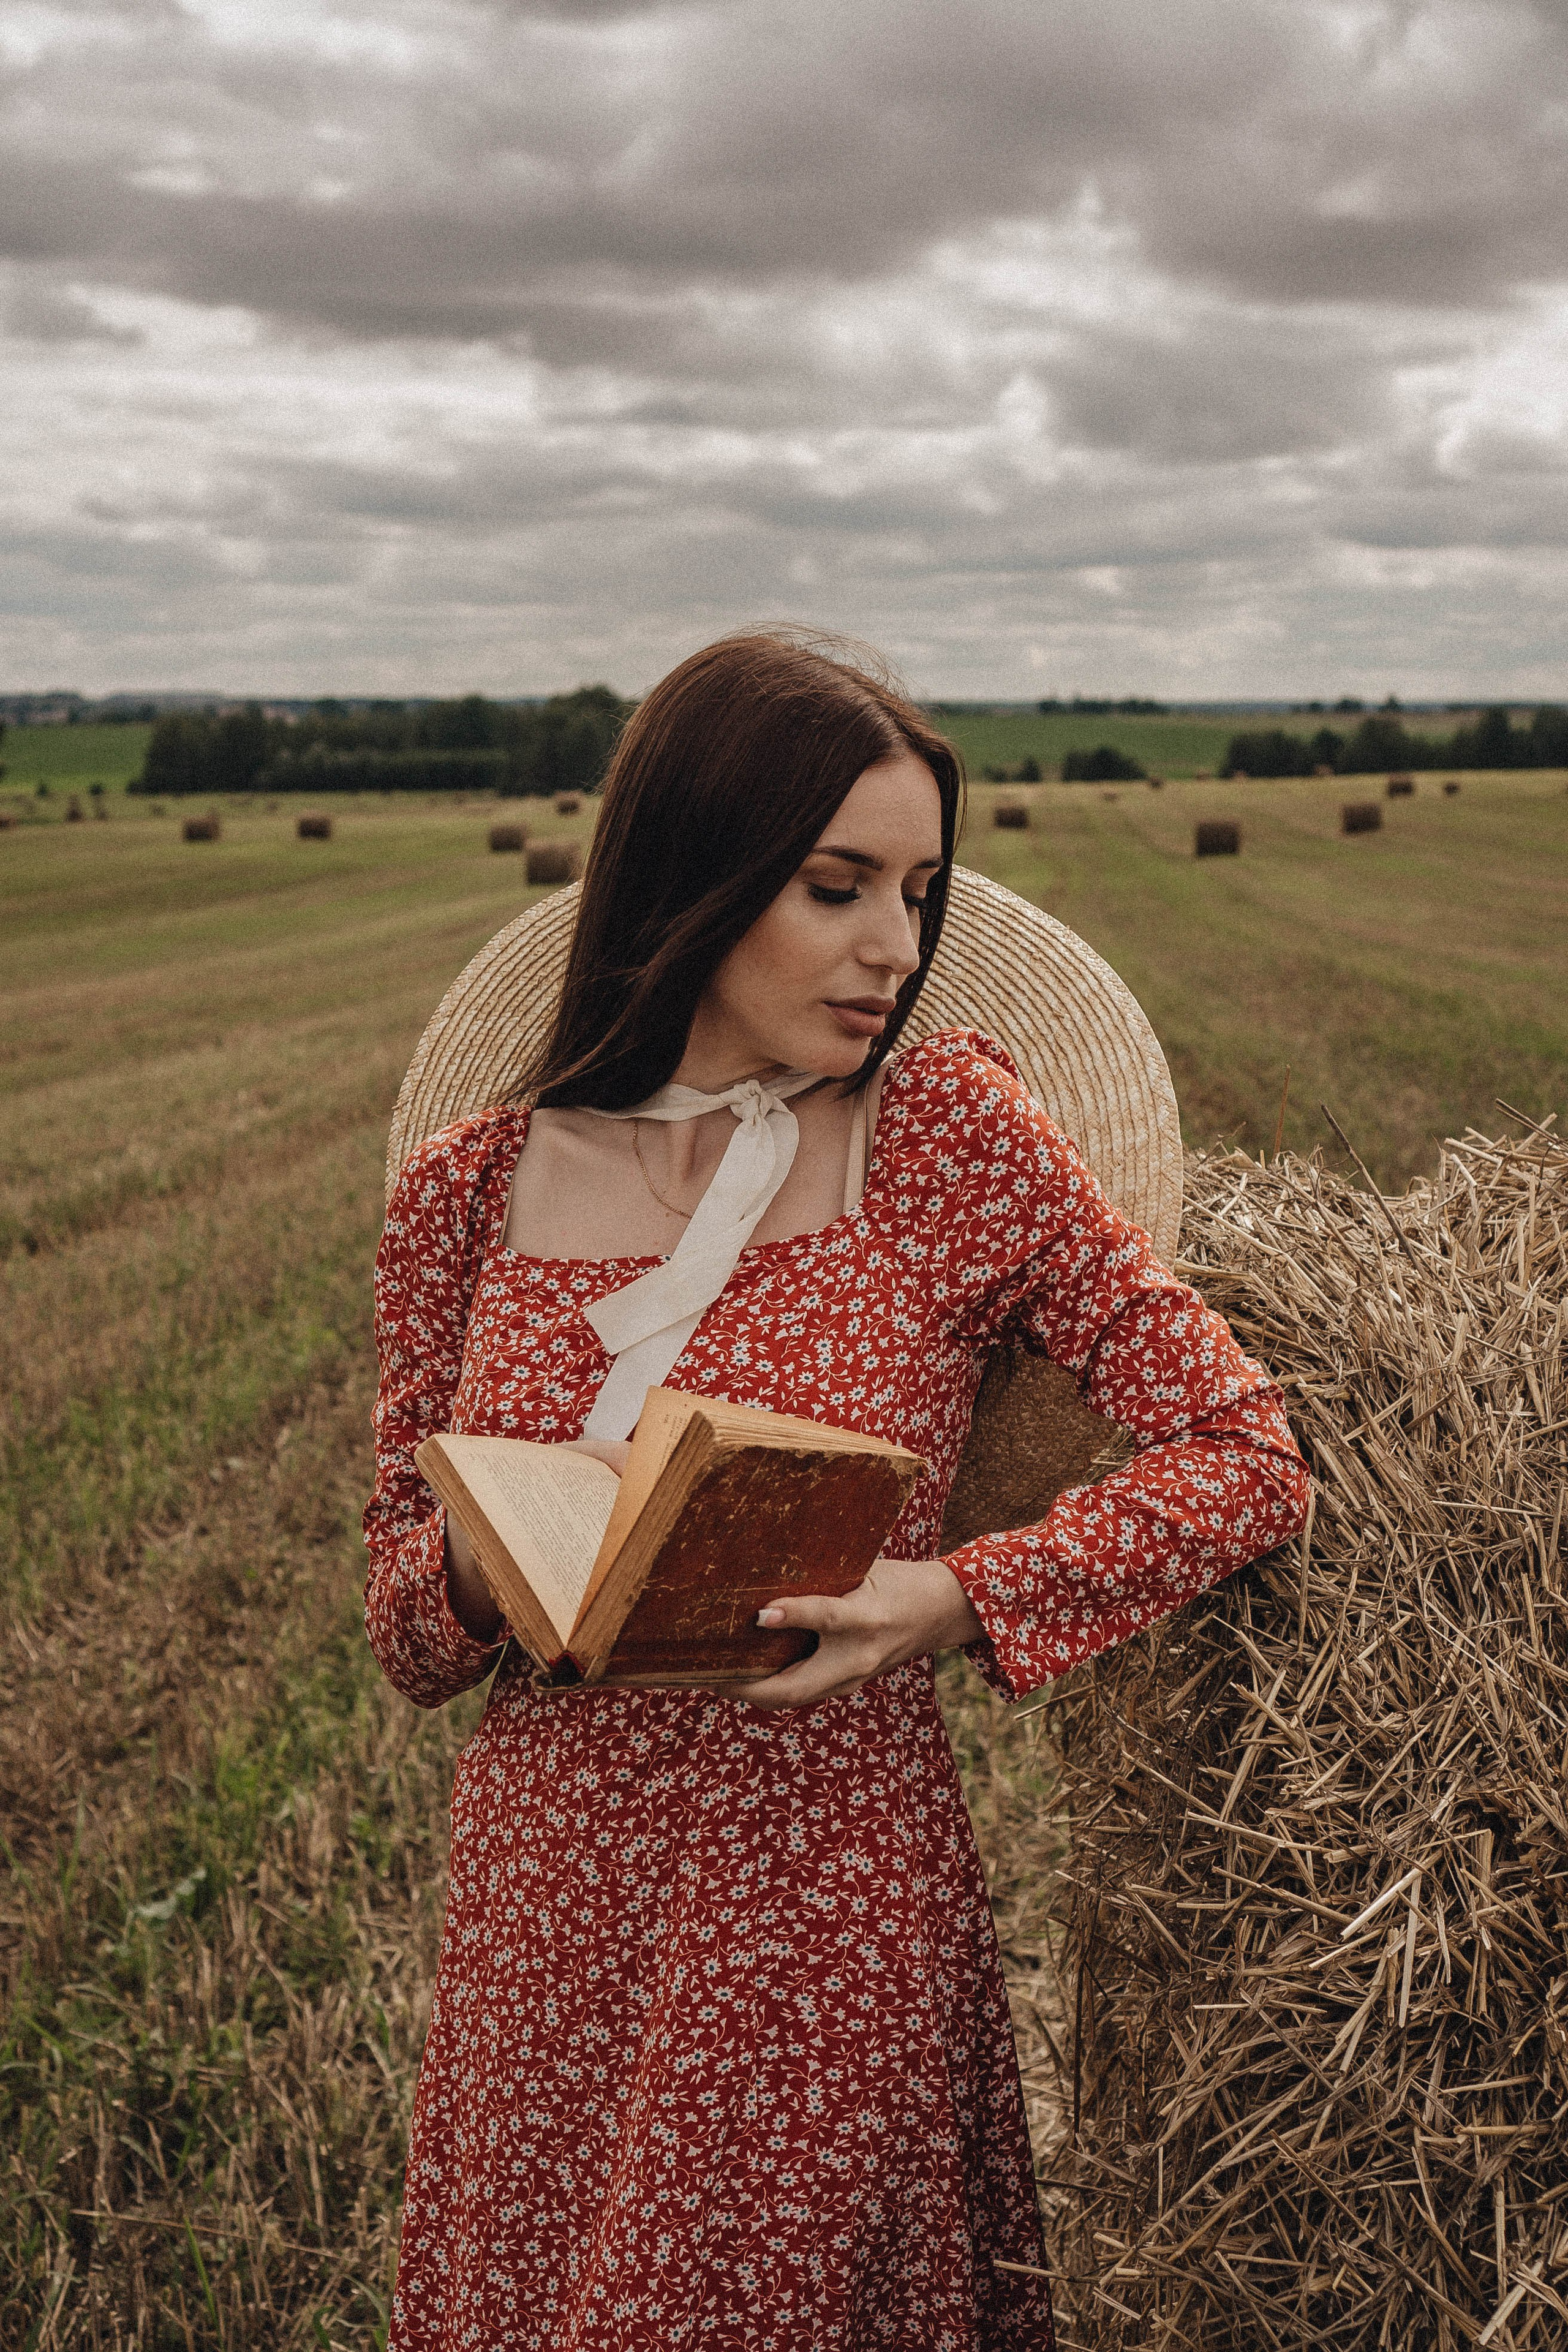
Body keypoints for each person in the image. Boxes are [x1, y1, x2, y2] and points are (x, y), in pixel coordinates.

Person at [364, 631, 1310, 2351]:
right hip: (546, 1910)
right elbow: (402, 1626)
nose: (896, 947)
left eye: (920, 892)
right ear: (695, 875)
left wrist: (941, 1601)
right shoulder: (467, 1196)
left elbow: (1246, 1456)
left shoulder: (951, 1141)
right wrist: (514, 1560)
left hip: (826, 1894)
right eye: (836, 886)